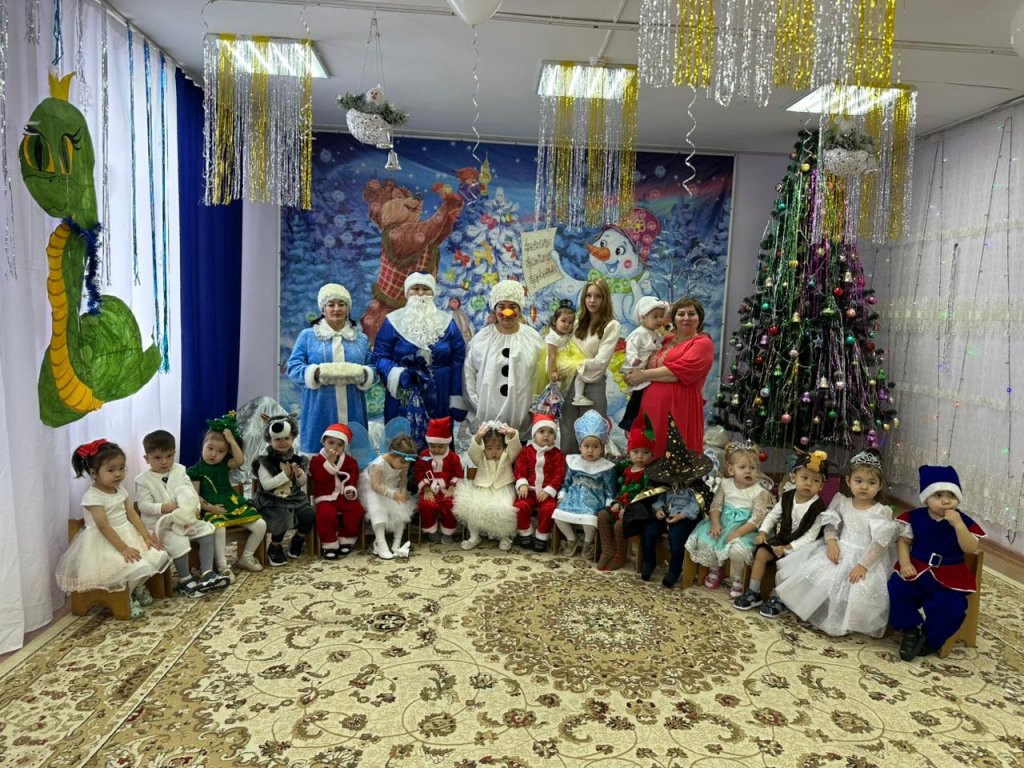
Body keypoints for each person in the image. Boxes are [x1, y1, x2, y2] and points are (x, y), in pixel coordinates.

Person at [773, 449, 896, 635]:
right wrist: (831, 543)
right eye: (858, 481)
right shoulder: (842, 502)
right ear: (848, 481)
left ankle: (845, 622)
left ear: (879, 486)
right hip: (840, 548)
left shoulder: (881, 511)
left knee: (858, 587)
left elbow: (880, 543)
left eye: (871, 483)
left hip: (865, 557)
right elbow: (830, 525)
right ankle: (819, 613)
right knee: (823, 575)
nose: (864, 487)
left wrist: (863, 566)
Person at [55, 440, 171, 619]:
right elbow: (103, 526)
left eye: (121, 468)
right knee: (133, 565)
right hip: (106, 542)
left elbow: (132, 514)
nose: (118, 474)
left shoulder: (120, 490)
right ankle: (126, 597)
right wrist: (123, 548)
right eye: (111, 470)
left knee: (156, 555)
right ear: (94, 473)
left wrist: (146, 536)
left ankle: (137, 587)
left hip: (127, 533)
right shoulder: (93, 497)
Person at [887, 465, 985, 661]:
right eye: (938, 495)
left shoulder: (963, 521)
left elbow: (970, 547)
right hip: (918, 569)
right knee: (897, 587)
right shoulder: (915, 517)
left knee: (952, 606)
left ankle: (930, 639)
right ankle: (909, 628)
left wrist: (958, 525)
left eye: (951, 495)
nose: (946, 501)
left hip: (950, 576)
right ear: (926, 498)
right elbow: (904, 541)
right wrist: (905, 563)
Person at [370, 273, 468, 446]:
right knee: (402, 442)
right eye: (415, 289)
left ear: (433, 293)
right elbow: (379, 356)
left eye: (426, 289)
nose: (421, 294)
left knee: (438, 443)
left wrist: (456, 394)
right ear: (407, 293)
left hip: (440, 391)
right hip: (404, 391)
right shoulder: (393, 322)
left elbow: (459, 358)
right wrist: (398, 374)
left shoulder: (447, 323)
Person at [734, 449, 830, 613]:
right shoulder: (787, 497)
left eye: (815, 481)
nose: (808, 483)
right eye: (804, 478)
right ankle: (754, 592)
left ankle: (781, 598)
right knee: (761, 553)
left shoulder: (819, 508)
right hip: (783, 538)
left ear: (821, 486)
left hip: (803, 548)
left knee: (790, 564)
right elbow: (773, 516)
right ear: (794, 478)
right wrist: (763, 532)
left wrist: (787, 549)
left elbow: (810, 536)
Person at [286, 283, 377, 454]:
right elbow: (293, 367)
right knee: (319, 459)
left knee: (354, 456)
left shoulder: (361, 339)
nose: (336, 309)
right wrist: (316, 373)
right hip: (320, 408)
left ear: (348, 308)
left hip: (353, 407)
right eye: (331, 304)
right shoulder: (308, 336)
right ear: (323, 309)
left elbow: (373, 368)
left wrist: (363, 373)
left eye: (341, 304)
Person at [134, 429, 225, 598]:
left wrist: (194, 507)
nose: (164, 462)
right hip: (162, 525)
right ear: (147, 458)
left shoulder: (180, 470)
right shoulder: (142, 480)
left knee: (207, 532)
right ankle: (185, 580)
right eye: (157, 458)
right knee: (178, 542)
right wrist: (163, 507)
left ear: (174, 453)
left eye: (169, 456)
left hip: (185, 519)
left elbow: (190, 492)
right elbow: (143, 505)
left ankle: (207, 573)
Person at [623, 297, 714, 456]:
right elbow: (642, 359)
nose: (686, 318)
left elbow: (677, 372)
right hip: (649, 408)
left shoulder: (701, 343)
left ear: (699, 318)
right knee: (649, 454)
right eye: (681, 314)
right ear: (674, 318)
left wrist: (643, 375)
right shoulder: (663, 341)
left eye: (691, 314)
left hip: (680, 409)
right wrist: (632, 374)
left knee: (675, 456)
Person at [685, 443, 775, 599]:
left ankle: (738, 578)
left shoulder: (759, 491)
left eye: (752, 468)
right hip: (723, 522)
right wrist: (715, 523)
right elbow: (716, 505)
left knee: (736, 550)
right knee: (709, 537)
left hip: (745, 528)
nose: (748, 471)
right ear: (731, 470)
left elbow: (757, 518)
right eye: (742, 467)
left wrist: (737, 533)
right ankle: (715, 568)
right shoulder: (725, 484)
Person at [464, 280, 544, 437]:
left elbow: (541, 376)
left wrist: (534, 407)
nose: (507, 312)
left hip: (522, 423)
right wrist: (478, 406)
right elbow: (468, 374)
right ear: (495, 310)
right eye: (502, 307)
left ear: (520, 309)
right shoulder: (481, 339)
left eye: (512, 307)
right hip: (487, 424)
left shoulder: (533, 339)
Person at [188, 424, 267, 578]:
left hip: (232, 504)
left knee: (260, 525)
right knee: (219, 528)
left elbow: (240, 460)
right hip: (213, 509)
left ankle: (246, 557)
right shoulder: (195, 471)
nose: (213, 454)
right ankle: (222, 566)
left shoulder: (224, 465)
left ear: (226, 453)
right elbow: (194, 495)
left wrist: (232, 441)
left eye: (220, 451)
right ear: (203, 445)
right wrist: (210, 508)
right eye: (210, 448)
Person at [559, 280, 621, 453]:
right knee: (568, 434)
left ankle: (593, 471)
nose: (592, 300)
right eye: (588, 295)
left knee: (592, 435)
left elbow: (601, 362)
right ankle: (568, 469)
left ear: (605, 299)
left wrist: (576, 365)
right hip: (570, 384)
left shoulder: (611, 326)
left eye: (598, 296)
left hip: (594, 385)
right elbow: (563, 349)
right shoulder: (576, 323)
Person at [251, 415, 316, 567]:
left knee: (309, 514)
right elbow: (267, 485)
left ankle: (298, 539)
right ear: (270, 440)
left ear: (292, 438)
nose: (283, 442)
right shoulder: (264, 461)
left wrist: (299, 475)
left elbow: (301, 483)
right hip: (271, 501)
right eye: (278, 439)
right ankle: (275, 547)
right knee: (282, 516)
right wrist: (284, 475)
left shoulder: (298, 460)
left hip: (295, 499)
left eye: (286, 438)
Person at [552, 410, 618, 559]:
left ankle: (588, 542)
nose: (590, 450)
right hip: (572, 498)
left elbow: (610, 489)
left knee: (589, 520)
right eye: (586, 446)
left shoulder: (606, 467)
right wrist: (562, 495)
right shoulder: (573, 462)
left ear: (602, 448)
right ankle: (571, 539)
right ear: (580, 447)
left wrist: (609, 504)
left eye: (595, 447)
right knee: (558, 516)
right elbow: (567, 482)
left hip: (594, 500)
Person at [597, 422, 658, 572]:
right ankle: (607, 550)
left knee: (619, 525)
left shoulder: (650, 475)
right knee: (603, 515)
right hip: (622, 506)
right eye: (636, 452)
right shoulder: (627, 469)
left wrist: (629, 510)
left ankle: (620, 556)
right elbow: (621, 489)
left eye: (645, 452)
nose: (640, 456)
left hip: (637, 513)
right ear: (629, 452)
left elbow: (646, 498)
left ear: (652, 455)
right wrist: (617, 502)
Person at [453, 422, 522, 551]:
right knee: (472, 506)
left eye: (498, 448)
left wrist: (512, 434)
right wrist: (478, 437)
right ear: (483, 448)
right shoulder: (480, 458)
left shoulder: (507, 456)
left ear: (504, 446)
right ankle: (474, 536)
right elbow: (472, 451)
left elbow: (516, 448)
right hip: (482, 488)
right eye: (489, 448)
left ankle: (505, 537)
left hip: (502, 489)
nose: (494, 452)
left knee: (504, 508)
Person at [308, 423, 365, 559]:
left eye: (339, 444)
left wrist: (350, 489)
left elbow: (353, 477)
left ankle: (346, 539)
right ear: (324, 442)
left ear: (344, 447)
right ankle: (329, 544)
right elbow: (319, 478)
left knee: (357, 510)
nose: (335, 447)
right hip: (325, 497)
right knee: (326, 515)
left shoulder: (350, 461)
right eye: (331, 442)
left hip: (343, 496)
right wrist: (329, 462)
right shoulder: (316, 460)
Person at [358, 433, 419, 560]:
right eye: (403, 462)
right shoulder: (378, 465)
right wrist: (392, 494)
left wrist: (402, 491)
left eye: (408, 463)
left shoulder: (403, 463)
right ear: (392, 455)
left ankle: (397, 543)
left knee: (401, 509)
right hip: (373, 488)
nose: (405, 465)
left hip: (390, 486)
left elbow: (403, 478)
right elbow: (375, 485)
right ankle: (380, 543)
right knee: (377, 509)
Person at [513, 414, 567, 551]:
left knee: (549, 509)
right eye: (541, 431)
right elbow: (519, 470)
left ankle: (542, 536)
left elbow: (559, 475)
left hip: (546, 493)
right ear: (534, 435)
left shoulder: (557, 454)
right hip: (529, 491)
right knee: (520, 506)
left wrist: (549, 490)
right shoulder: (526, 452)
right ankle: (525, 532)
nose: (546, 435)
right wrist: (522, 483)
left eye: (550, 432)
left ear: (555, 436)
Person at [618, 297, 669, 430]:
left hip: (644, 367)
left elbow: (659, 343)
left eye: (661, 316)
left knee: (643, 395)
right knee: (638, 394)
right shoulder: (638, 333)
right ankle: (629, 421)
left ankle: (639, 421)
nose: (659, 320)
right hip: (635, 365)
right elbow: (630, 347)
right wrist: (633, 358)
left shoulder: (654, 333)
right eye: (655, 317)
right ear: (643, 317)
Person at [415, 416, 464, 543]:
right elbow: (419, 472)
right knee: (426, 505)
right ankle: (431, 530)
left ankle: (448, 531)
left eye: (440, 447)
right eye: (432, 446)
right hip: (429, 489)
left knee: (451, 505)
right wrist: (426, 489)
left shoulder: (453, 457)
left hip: (447, 489)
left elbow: (458, 474)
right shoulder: (424, 456)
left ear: (447, 443)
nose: (436, 450)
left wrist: (452, 487)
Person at [534, 300, 586, 399]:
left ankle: (575, 394)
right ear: (555, 321)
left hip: (564, 358)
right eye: (563, 321)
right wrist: (552, 372)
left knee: (580, 366)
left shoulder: (566, 333)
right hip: (554, 363)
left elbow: (577, 322)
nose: (567, 324)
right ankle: (575, 395)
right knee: (576, 367)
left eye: (570, 322)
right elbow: (552, 355)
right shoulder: (553, 336)